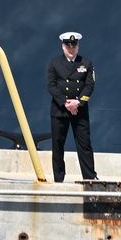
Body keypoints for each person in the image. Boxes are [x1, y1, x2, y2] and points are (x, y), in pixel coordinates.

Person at [45, 31, 97, 182]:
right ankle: (58, 178)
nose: (71, 48)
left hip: (79, 111)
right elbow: (51, 85)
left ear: (78, 46)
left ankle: (89, 178)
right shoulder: (54, 63)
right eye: (68, 45)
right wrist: (65, 103)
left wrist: (79, 102)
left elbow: (90, 85)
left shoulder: (86, 63)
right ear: (62, 46)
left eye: (73, 45)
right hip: (60, 110)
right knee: (58, 144)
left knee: (85, 144)